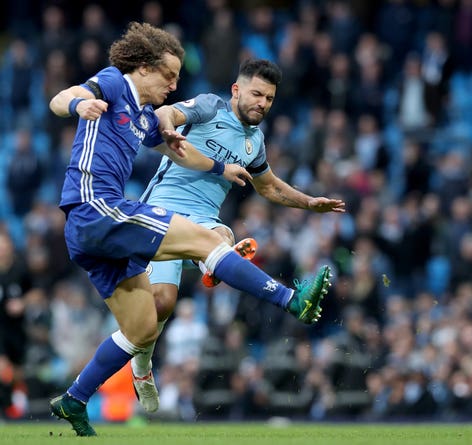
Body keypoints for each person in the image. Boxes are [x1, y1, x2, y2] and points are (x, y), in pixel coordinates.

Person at [47, 22, 332, 436]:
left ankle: (74, 398)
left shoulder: (145, 120)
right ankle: (290, 299)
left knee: (144, 326)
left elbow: (178, 150)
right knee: (208, 242)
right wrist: (78, 106)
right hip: (97, 206)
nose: (174, 83)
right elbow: (61, 97)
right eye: (169, 75)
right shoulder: (112, 83)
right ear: (144, 68)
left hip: (90, 234)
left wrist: (220, 167)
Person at [129, 58, 345, 413]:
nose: (262, 103)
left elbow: (269, 187)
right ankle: (142, 369)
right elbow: (166, 113)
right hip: (162, 212)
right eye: (257, 93)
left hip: (203, 219)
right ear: (236, 90)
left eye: (270, 98)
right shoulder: (210, 106)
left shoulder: (255, 141)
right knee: (162, 305)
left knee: (222, 234)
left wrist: (310, 203)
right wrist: (167, 129)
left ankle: (214, 264)